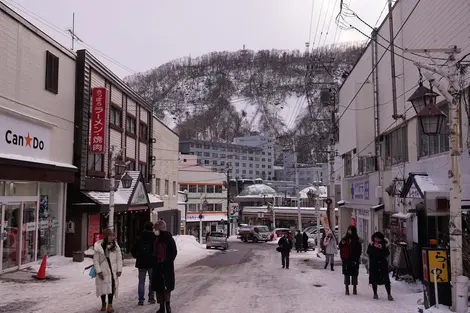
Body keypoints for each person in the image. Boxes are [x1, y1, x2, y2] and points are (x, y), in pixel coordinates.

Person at [93, 228, 123, 313]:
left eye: (113, 236)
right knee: (103, 287)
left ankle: (110, 305)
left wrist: (119, 269)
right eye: (110, 236)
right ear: (106, 236)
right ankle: (103, 303)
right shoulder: (98, 247)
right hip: (104, 270)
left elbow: (119, 259)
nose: (112, 237)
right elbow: (96, 260)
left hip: (113, 270)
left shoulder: (115, 246)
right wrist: (99, 271)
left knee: (112, 287)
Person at [152, 220, 177, 313]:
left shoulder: (169, 239)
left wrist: (167, 261)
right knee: (159, 288)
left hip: (166, 267)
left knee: (166, 287)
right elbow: (153, 252)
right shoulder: (155, 239)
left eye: (156, 229)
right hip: (157, 267)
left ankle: (167, 305)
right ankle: (161, 307)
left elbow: (174, 252)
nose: (155, 231)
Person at [131, 221, 157, 306]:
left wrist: (137, 256)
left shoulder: (139, 238)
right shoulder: (155, 238)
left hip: (141, 262)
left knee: (141, 282)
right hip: (152, 262)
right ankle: (151, 297)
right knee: (152, 280)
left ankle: (141, 299)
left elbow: (133, 249)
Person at [367, 231, 393, 301]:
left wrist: (382, 248)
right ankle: (375, 293)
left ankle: (389, 294)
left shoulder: (384, 245)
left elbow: (387, 253)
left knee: (386, 280)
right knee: (374, 280)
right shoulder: (371, 244)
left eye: (379, 239)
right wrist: (373, 248)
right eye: (376, 238)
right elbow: (368, 252)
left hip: (382, 264)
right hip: (374, 264)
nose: (377, 240)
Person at [339, 225, 362, 296]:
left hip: (354, 259)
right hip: (346, 259)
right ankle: (347, 288)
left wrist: (356, 259)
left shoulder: (356, 239)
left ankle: (355, 288)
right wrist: (342, 244)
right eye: (348, 230)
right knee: (346, 274)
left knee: (354, 274)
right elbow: (340, 246)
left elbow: (359, 250)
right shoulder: (345, 238)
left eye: (350, 230)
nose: (349, 231)